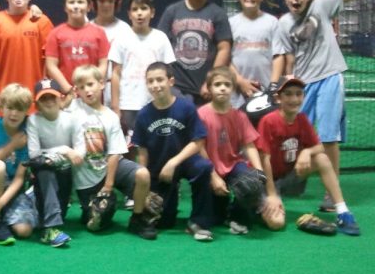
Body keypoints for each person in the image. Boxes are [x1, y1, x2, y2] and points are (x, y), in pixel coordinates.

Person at [277, 0, 375, 211]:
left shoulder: (322, 4)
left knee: (329, 136)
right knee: (295, 136)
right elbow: (288, 57)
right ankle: (292, 180)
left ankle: (333, 193)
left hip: (330, 76)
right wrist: (287, 82)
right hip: (303, 84)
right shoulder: (284, 23)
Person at [256, 76, 360, 236]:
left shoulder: (302, 119)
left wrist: (307, 152)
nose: (294, 99)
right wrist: (272, 195)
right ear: (278, 98)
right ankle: (256, 207)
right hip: (265, 182)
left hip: (287, 179)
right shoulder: (269, 121)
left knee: (321, 158)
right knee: (276, 224)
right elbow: (265, 161)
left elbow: (320, 146)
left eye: (298, 94)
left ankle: (343, 212)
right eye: (288, 94)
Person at [68, 65, 157, 240]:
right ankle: (98, 209)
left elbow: (115, 153)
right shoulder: (73, 108)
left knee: (142, 174)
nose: (87, 90)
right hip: (87, 177)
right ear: (77, 91)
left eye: (90, 84)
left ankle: (137, 218)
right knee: (95, 224)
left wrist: (108, 186)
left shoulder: (110, 117)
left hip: (110, 166)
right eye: (82, 87)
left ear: (101, 84)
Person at [132, 62, 215, 241]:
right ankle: (171, 202)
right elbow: (142, 150)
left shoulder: (186, 107)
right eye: (150, 81)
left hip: (184, 162)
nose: (155, 85)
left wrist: (173, 162)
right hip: (159, 169)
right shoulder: (144, 114)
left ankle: (199, 222)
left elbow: (198, 140)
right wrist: (145, 183)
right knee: (164, 222)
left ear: (171, 81)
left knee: (203, 167)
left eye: (159, 79)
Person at [197, 67, 263, 234]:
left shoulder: (239, 116)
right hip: (208, 167)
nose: (222, 88)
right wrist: (214, 176)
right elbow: (199, 148)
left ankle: (236, 215)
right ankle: (222, 211)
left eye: (227, 84)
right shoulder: (201, 114)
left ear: (233, 88)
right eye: (217, 84)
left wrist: (259, 170)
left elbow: (249, 145)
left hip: (233, 165)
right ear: (209, 88)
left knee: (252, 182)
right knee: (214, 218)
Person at [158, 0, 232, 105]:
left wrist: (211, 81)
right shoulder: (172, 12)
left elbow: (224, 49)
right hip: (176, 87)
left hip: (205, 90)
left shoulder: (218, 14)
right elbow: (159, 45)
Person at [0, 83, 38, 245]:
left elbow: (19, 178)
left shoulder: (27, 133)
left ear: (27, 111)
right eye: (10, 108)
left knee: (24, 231)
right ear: (2, 107)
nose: (14, 113)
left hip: (12, 187)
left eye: (19, 109)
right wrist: (12, 145)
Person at [109, 0, 176, 144]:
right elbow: (115, 74)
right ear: (129, 14)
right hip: (128, 104)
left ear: (152, 12)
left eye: (144, 8)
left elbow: (168, 73)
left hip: (156, 101)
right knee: (131, 145)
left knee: (156, 142)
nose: (139, 13)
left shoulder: (161, 38)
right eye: (135, 9)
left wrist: (168, 102)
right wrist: (115, 107)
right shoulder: (121, 39)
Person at [26, 78, 84, 247]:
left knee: (60, 213)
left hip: (65, 172)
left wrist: (61, 154)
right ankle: (51, 229)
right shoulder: (33, 120)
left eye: (52, 97)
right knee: (44, 167)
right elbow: (34, 154)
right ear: (37, 103)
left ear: (61, 99)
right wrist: (64, 150)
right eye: (44, 98)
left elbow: (80, 152)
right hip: (44, 172)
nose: (49, 101)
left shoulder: (72, 119)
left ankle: (36, 204)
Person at [45, 0, 110, 101]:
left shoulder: (100, 33)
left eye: (80, 2)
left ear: (89, 6)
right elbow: (51, 66)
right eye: (71, 2)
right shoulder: (55, 34)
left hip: (92, 96)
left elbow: (103, 65)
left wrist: (90, 88)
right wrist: (68, 89)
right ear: (65, 7)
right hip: (66, 97)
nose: (76, 6)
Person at [228, 0, 285, 108]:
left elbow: (278, 56)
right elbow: (225, 59)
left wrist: (273, 87)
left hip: (265, 92)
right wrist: (240, 81)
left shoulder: (272, 23)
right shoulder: (230, 23)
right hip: (237, 93)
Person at [89, 0, 133, 110]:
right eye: (102, 1)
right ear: (94, 4)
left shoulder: (125, 29)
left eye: (110, 1)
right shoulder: (87, 28)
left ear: (117, 3)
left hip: (120, 88)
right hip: (91, 89)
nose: (106, 5)